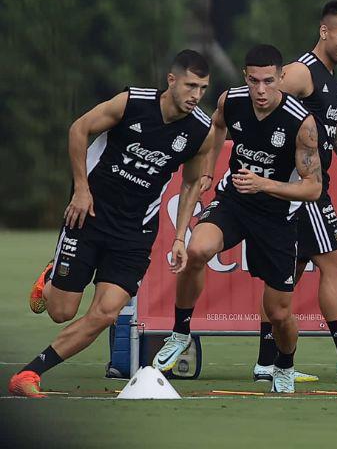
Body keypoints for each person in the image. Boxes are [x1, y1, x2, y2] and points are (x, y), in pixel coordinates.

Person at [10, 51, 214, 397]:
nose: (196, 95)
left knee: (106, 313)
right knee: (61, 311)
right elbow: (79, 129)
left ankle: (29, 373)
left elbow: (192, 183)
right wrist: (81, 189)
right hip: (88, 216)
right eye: (190, 85)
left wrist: (180, 236)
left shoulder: (201, 130)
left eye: (203, 88)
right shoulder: (131, 103)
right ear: (171, 80)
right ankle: (50, 279)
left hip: (134, 232)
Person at [150, 45, 323, 394]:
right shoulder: (233, 100)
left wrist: (265, 184)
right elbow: (216, 129)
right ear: (245, 77)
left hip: (276, 215)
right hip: (234, 201)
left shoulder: (301, 122)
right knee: (197, 250)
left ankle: (285, 366)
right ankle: (181, 332)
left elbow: (313, 188)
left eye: (269, 81)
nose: (261, 90)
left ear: (281, 79)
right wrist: (207, 174)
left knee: (279, 313)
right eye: (254, 80)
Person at [250, 0, 337, 384]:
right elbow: (255, 99)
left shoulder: (330, 80)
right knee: (334, 263)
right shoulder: (301, 73)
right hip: (303, 190)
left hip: (299, 190)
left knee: (285, 276)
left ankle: (265, 361)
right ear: (324, 31)